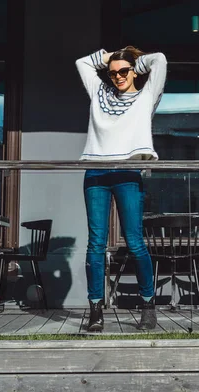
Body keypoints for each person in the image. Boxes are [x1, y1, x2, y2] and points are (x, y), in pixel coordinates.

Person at [76, 46, 167, 332]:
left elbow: (160, 60)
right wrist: (111, 56)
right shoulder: (98, 93)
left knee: (135, 241)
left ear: (135, 71)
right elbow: (82, 63)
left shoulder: (146, 96)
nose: (117, 76)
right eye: (113, 72)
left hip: (128, 172)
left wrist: (133, 61)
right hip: (96, 171)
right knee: (96, 243)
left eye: (123, 71)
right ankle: (95, 311)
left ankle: (148, 306)